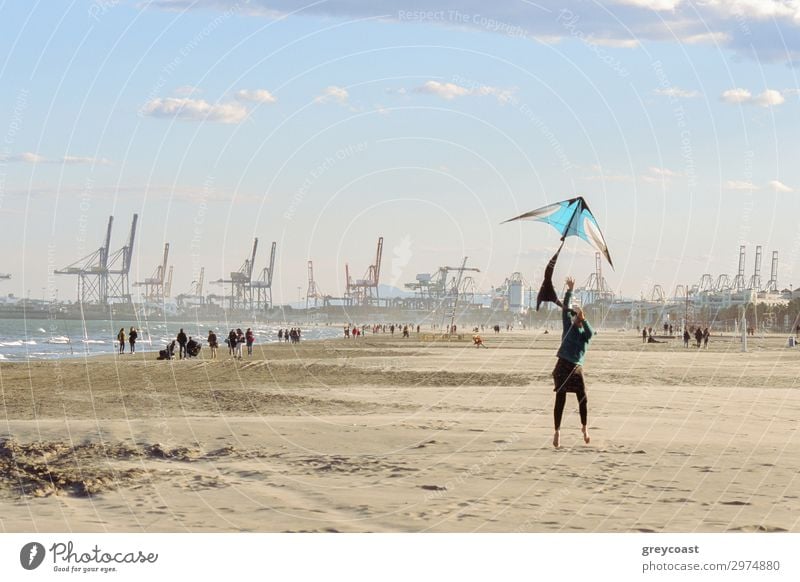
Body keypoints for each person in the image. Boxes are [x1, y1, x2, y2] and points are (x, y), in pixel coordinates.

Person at [552, 276, 592, 449]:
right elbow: (565, 310)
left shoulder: (584, 334)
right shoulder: (567, 327)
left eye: (578, 318)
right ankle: (557, 432)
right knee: (560, 398)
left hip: (576, 368)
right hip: (563, 364)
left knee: (582, 398)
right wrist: (570, 290)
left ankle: (584, 428)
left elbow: (590, 333)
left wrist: (584, 318)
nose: (575, 319)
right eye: (575, 317)